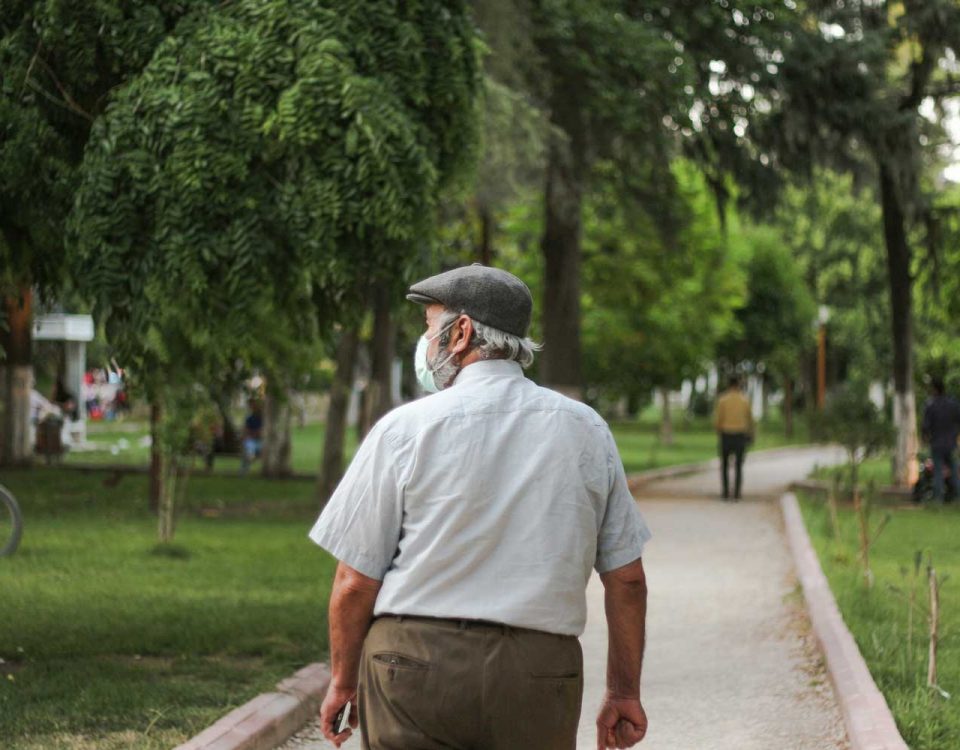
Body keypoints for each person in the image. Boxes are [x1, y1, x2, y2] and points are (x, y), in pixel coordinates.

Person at [309, 265, 652, 750]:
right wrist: (623, 691)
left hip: (413, 667)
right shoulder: (586, 430)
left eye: (430, 328)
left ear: (461, 332)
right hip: (538, 673)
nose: (426, 344)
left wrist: (344, 682)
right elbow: (628, 579)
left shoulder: (404, 430)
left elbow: (354, 581)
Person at [713, 375, 754, 500]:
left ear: (728, 385)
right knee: (738, 466)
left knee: (724, 465)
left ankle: (725, 492)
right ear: (738, 385)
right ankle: (736, 493)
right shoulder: (744, 400)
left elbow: (718, 420)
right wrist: (751, 433)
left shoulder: (722, 400)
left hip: (726, 434)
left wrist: (719, 431)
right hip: (740, 435)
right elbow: (750, 419)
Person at [921, 378, 960, 502]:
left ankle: (938, 499)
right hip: (952, 443)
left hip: (937, 444)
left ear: (935, 389)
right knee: (954, 471)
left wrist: (926, 437)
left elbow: (925, 426)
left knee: (938, 472)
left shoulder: (931, 405)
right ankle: (958, 496)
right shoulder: (953, 404)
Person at [241, 399, 263, 471]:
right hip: (251, 440)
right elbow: (246, 430)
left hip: (261, 441)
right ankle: (245, 469)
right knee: (249, 448)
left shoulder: (263, 418)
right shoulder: (249, 418)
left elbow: (262, 432)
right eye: (251, 406)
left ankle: (251, 459)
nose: (253, 408)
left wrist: (256, 433)